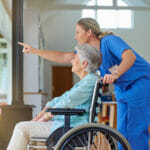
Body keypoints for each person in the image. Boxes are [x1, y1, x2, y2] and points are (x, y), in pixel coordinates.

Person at [18, 18, 150, 150]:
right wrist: (35, 51)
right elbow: (66, 57)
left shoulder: (109, 41)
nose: (75, 36)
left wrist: (115, 74)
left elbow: (130, 57)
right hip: (122, 88)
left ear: (89, 32)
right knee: (122, 131)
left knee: (135, 129)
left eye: (77, 32)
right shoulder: (91, 54)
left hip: (140, 82)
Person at [7, 44, 101, 150]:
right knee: (27, 126)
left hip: (71, 128)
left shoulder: (90, 81)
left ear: (84, 63)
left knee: (21, 128)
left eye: (75, 58)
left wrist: (45, 118)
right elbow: (60, 99)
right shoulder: (87, 81)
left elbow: (67, 101)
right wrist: (40, 116)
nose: (71, 61)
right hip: (67, 124)